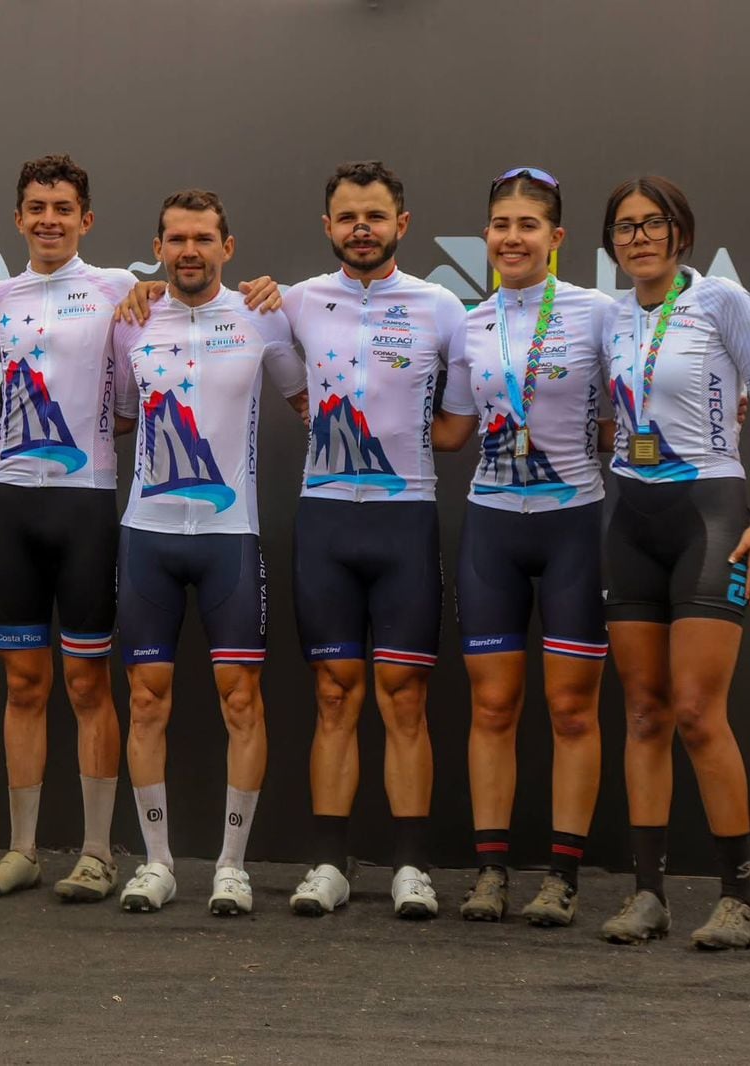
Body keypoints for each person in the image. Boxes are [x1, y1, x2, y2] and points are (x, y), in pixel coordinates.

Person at [0, 156, 283, 903]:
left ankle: (99, 850)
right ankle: (21, 850)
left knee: (85, 680)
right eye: (36, 207)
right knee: (22, 680)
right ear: (17, 219)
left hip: (91, 502)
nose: (49, 219)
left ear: (87, 219)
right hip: (12, 504)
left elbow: (139, 405)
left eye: (63, 208)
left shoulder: (120, 293)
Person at [594, 176, 750, 949]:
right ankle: (648, 895)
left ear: (681, 234)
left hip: (712, 518)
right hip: (631, 521)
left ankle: (739, 900)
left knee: (698, 715)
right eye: (625, 227)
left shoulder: (722, 303)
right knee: (642, 712)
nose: (639, 237)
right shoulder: (609, 316)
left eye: (654, 224)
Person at [110, 189, 307, 915]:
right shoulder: (131, 318)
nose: (188, 250)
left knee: (241, 701)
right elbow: (121, 420)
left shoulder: (263, 316)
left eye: (202, 238)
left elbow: (309, 404)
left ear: (228, 245)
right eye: (175, 239)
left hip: (231, 538)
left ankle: (231, 865)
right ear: (158, 246)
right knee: (145, 700)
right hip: (147, 536)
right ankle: (158, 862)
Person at [281, 162, 468, 919]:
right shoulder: (291, 303)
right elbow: (205, 318)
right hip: (325, 520)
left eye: (376, 216)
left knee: (405, 698)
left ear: (403, 224)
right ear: (327, 227)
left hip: (405, 520)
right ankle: (329, 862)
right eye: (348, 217)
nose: (362, 228)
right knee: (333, 695)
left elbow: (455, 428)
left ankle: (411, 867)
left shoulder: (443, 307)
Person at [430, 167, 614, 925]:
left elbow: (624, 415)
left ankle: (562, 876)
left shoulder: (599, 313)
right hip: (493, 527)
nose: (512, 237)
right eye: (500, 224)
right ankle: (491, 871)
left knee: (572, 709)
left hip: (576, 524)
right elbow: (450, 431)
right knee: (493, 705)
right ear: (487, 236)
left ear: (556, 238)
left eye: (528, 225)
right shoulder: (470, 323)